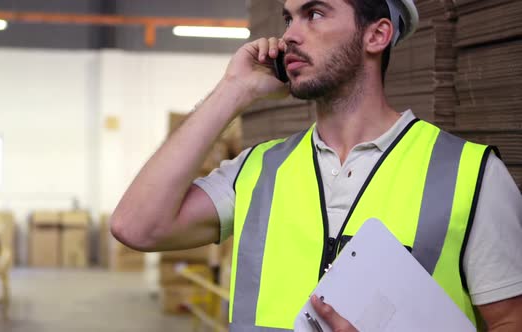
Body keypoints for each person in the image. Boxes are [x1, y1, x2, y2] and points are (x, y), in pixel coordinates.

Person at [110, 0, 522, 330]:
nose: (288, 35)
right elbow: (135, 226)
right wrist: (233, 90)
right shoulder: (259, 169)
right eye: (288, 18)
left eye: (315, 13)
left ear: (377, 34)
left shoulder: (471, 175)